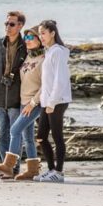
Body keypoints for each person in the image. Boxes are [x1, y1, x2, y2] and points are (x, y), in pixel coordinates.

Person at [0, 26, 44, 180]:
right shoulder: (28, 57)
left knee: (14, 131)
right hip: (23, 101)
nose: (26, 41)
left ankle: (8, 166)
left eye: (30, 38)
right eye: (25, 38)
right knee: (28, 138)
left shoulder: (45, 59)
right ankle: (32, 171)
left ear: (40, 40)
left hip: (35, 103)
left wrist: (32, 103)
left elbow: (46, 86)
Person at [0, 10, 27, 177]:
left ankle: (14, 168)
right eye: (6, 23)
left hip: (17, 100)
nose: (7, 27)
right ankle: (6, 168)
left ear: (20, 26)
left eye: (11, 24)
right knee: (2, 135)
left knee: (15, 135)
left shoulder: (26, 46)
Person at [33, 20, 72, 183]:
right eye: (40, 33)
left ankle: (59, 173)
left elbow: (60, 80)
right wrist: (44, 101)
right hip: (46, 101)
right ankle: (50, 170)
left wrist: (52, 102)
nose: (41, 36)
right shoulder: (49, 52)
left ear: (52, 33)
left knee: (57, 136)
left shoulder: (58, 52)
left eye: (43, 33)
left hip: (57, 101)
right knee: (41, 136)